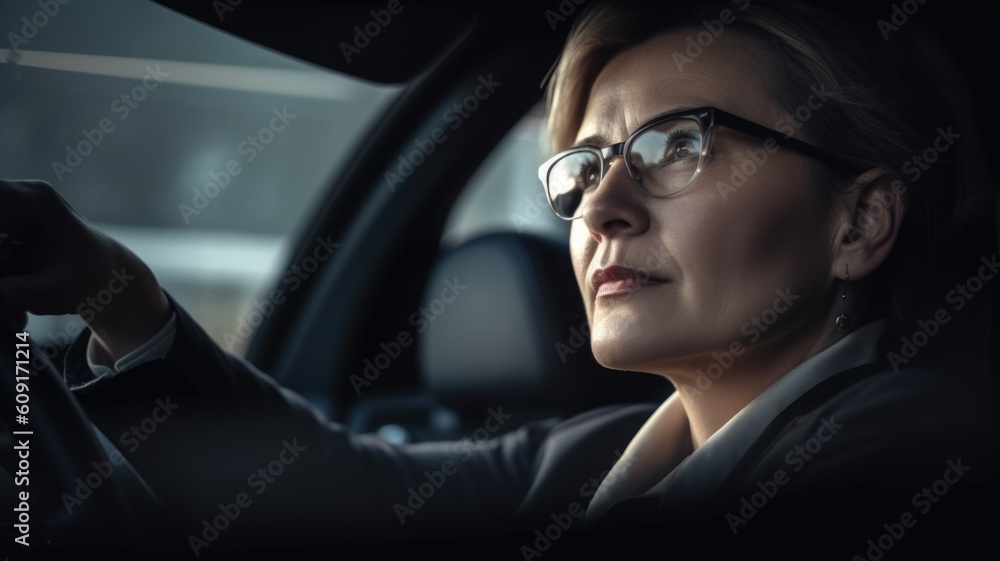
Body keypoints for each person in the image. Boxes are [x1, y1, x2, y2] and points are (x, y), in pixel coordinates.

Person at [0, 0, 995, 557]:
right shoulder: (600, 457)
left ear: (859, 221)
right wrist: (112, 293)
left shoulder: (930, 451)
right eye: (585, 168)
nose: (602, 207)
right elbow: (341, 495)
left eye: (676, 144)